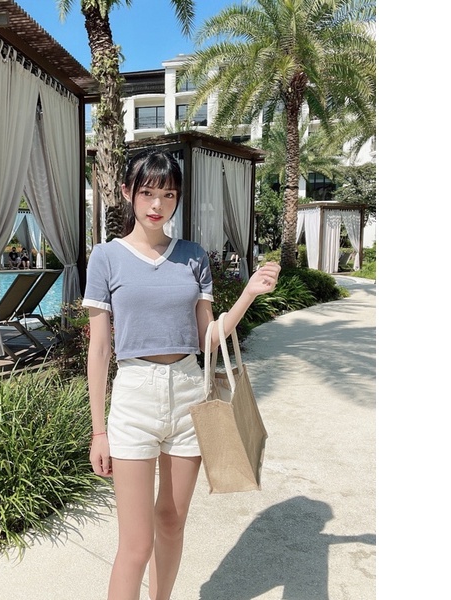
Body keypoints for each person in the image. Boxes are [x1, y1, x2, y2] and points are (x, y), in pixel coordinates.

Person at [82, 149, 280, 600]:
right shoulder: (106, 257)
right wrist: (98, 431)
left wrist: (248, 294)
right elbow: (100, 348)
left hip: (189, 392)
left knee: (171, 522)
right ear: (127, 193)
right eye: (148, 193)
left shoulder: (193, 256)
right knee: (136, 544)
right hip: (134, 397)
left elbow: (207, 338)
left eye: (168, 195)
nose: (157, 205)